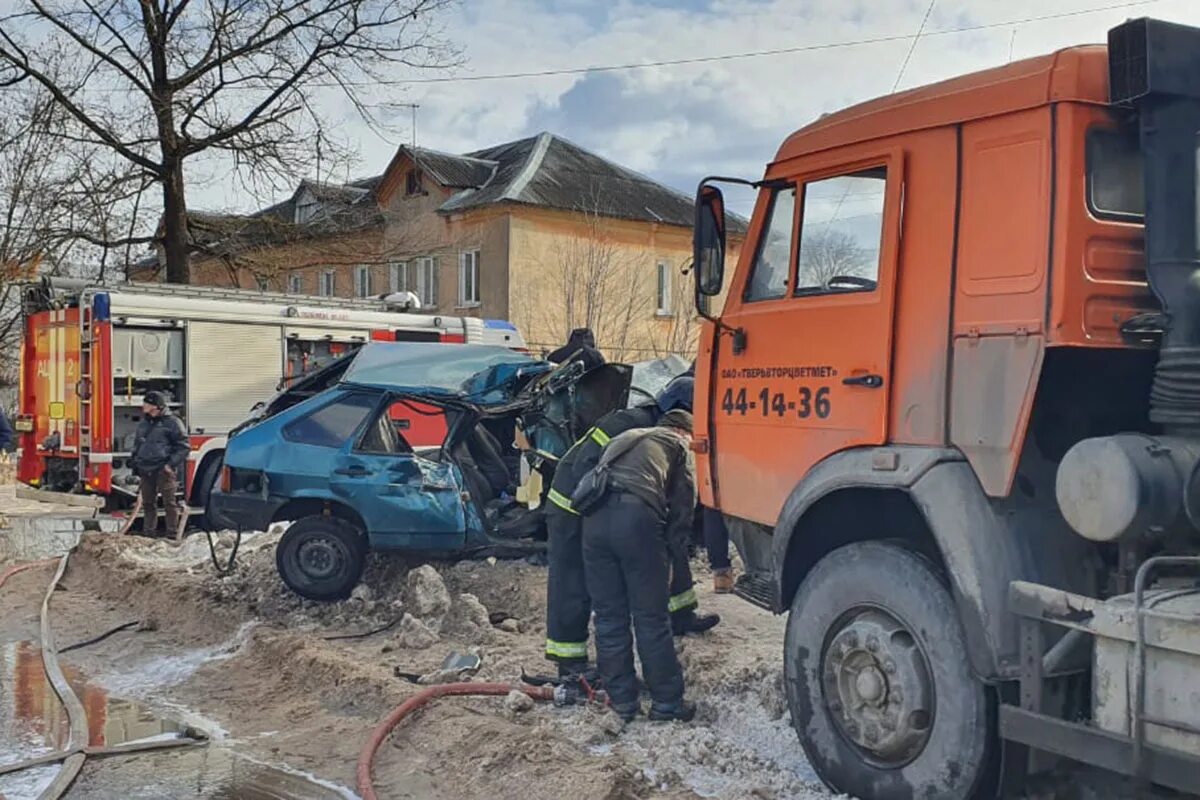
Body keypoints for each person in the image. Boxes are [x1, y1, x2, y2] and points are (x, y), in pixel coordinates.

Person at [543, 375, 718, 677]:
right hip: (572, 502)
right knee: (571, 580)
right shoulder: (629, 423)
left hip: (614, 501)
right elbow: (588, 464)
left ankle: (681, 614)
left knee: (667, 546)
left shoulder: (660, 427)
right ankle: (569, 660)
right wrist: (606, 513)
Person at [581, 409, 698, 722]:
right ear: (684, 431)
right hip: (635, 521)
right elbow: (682, 513)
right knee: (651, 618)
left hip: (593, 524)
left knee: (608, 617)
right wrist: (673, 560)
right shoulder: (678, 446)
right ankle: (667, 704)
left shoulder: (626, 438)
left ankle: (622, 702)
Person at [130, 390, 189, 536]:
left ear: (155, 406)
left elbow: (184, 447)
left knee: (169, 503)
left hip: (163, 469)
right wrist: (135, 463)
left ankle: (172, 534)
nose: (143, 405)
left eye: (146, 403)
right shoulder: (144, 423)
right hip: (145, 468)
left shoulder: (173, 423)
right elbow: (138, 444)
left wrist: (169, 465)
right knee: (148, 504)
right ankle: (149, 533)